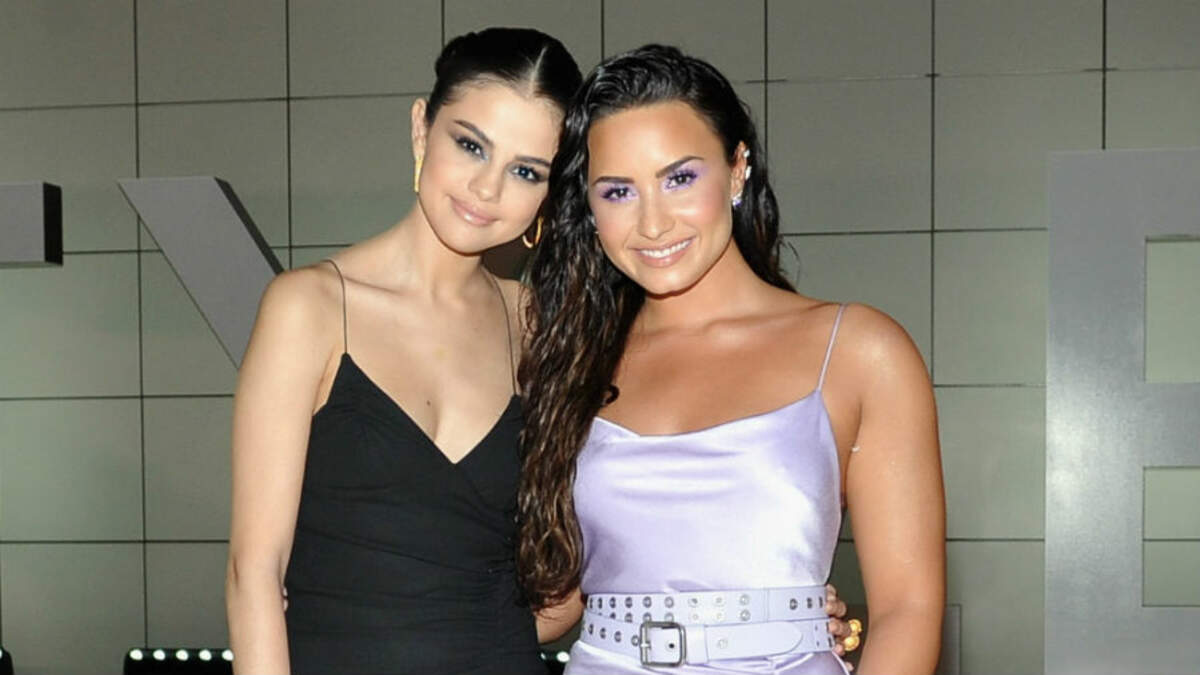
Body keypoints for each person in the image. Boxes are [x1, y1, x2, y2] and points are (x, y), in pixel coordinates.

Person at [519, 45, 946, 674]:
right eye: (618, 191)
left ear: (737, 168)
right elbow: (551, 602)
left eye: (680, 178)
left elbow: (908, 610)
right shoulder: (567, 358)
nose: (653, 223)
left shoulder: (859, 351)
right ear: (589, 205)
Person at [224, 28, 582, 675]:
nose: (487, 188)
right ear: (422, 129)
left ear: (549, 192)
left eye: (525, 171)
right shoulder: (308, 307)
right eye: (471, 145)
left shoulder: (537, 325)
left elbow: (569, 579)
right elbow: (254, 573)